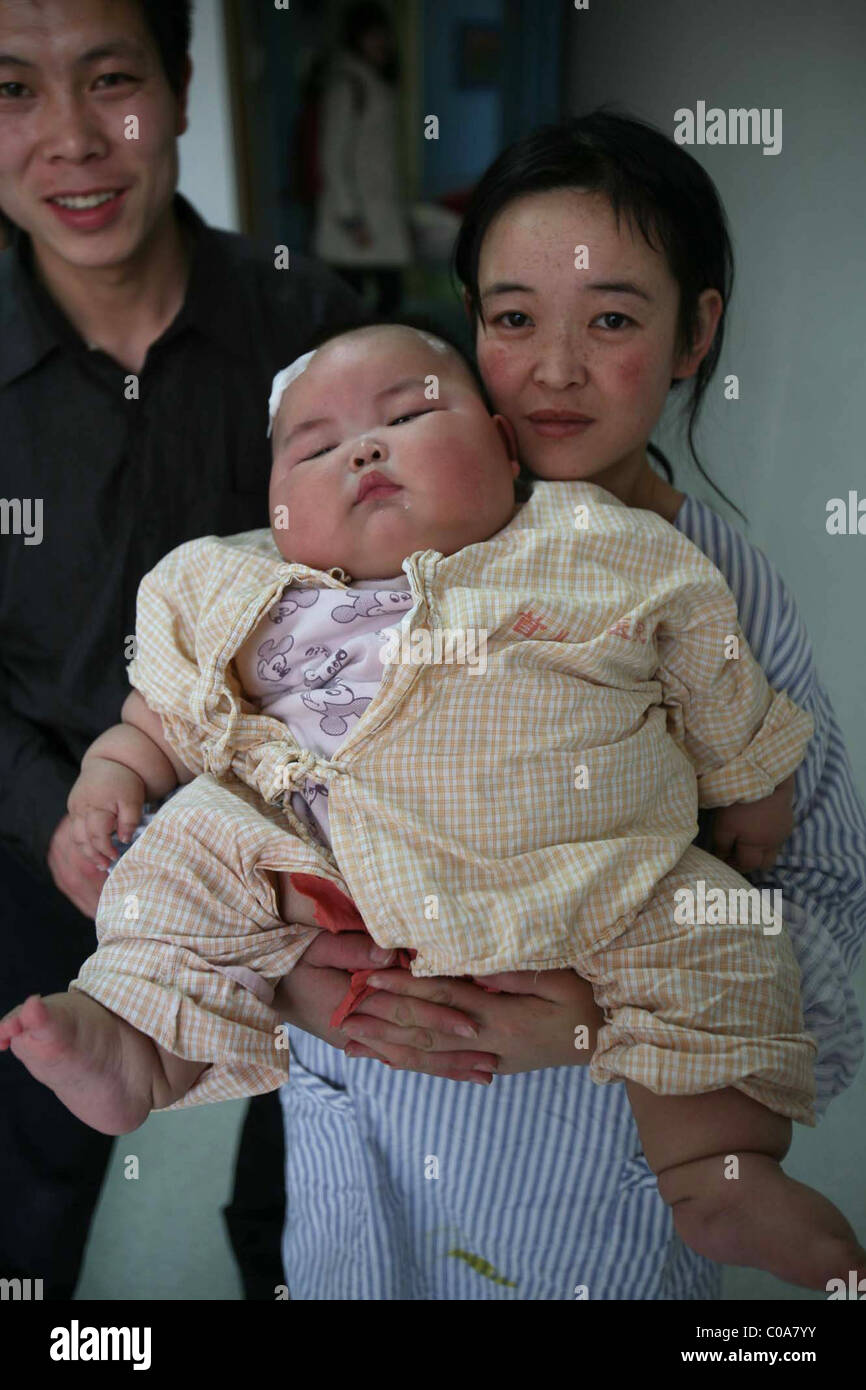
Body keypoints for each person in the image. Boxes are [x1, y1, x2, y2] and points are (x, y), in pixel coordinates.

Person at [4, 320, 864, 1289]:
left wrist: (751, 778)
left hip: (585, 869)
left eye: (409, 414)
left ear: (503, 448)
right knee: (186, 861)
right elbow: (164, 712)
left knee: (716, 933)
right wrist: (111, 776)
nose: (364, 449)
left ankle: (713, 1168)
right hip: (325, 868)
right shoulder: (239, 589)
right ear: (275, 505)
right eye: (315, 445)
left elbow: (706, 662)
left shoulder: (597, 548)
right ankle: (136, 1045)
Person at [259, 114, 864, 1300]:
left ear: (695, 333)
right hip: (361, 1154)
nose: (552, 369)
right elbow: (221, 816)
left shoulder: (717, 592)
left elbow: (830, 915)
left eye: (614, 320)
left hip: (589, 1186)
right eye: (511, 316)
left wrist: (605, 1022)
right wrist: (286, 974)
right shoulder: (354, 550)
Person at [0, 0, 361, 1300]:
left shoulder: (310, 327)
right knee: (28, 1206)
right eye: (15, 93)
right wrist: (60, 812)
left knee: (310, 1199)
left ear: (182, 84)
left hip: (297, 867)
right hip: (35, 868)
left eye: (109, 80)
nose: (72, 142)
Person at [311, 1, 410, 314]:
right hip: (355, 218)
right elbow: (332, 158)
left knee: (388, 299)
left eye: (383, 35)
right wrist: (351, 218)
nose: (381, 42)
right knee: (352, 306)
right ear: (357, 39)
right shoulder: (348, 84)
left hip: (381, 209)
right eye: (371, 35)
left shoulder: (377, 82)